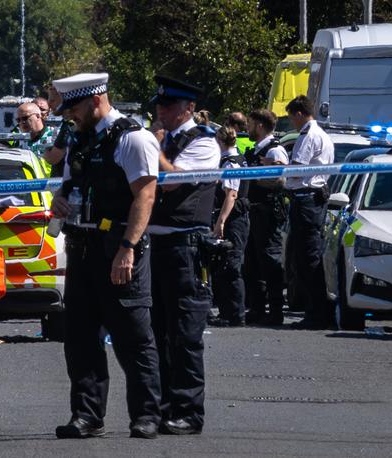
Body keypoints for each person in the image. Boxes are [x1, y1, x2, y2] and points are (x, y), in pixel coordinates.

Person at [51, 73, 162, 440]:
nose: (71, 116)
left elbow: (145, 196)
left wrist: (127, 248)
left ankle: (146, 415)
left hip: (118, 248)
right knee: (80, 338)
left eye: (75, 108)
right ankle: (87, 415)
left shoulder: (132, 138)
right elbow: (68, 186)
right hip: (83, 249)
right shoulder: (80, 140)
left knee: (133, 338)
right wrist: (59, 201)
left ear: (96, 100)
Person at [149, 75, 220, 435]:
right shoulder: (167, 139)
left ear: (189, 108)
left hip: (185, 247)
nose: (162, 111)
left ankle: (189, 411)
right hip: (156, 246)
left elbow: (173, 180)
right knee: (157, 331)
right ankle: (163, 407)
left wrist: (154, 149)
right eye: (159, 105)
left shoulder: (204, 143)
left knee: (185, 334)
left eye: (169, 106)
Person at [284, 96, 334, 330]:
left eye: (291, 117)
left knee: (307, 259)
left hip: (306, 200)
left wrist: (281, 172)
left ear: (300, 114)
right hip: (313, 199)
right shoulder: (322, 134)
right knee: (308, 257)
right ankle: (316, 311)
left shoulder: (308, 135)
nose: (291, 122)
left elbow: (297, 170)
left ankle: (316, 313)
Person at [243, 109, 289, 325]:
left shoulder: (275, 151)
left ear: (260, 125)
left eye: (250, 124)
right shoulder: (258, 150)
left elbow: (279, 182)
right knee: (253, 261)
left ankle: (276, 311)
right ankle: (257, 308)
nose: (247, 128)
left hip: (268, 212)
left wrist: (253, 178)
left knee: (270, 260)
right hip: (254, 210)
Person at [208, 126, 250, 327]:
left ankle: (234, 314)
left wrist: (221, 221)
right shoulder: (238, 158)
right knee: (226, 264)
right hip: (236, 219)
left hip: (234, 221)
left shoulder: (231, 164)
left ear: (220, 141)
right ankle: (229, 312)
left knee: (231, 266)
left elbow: (231, 195)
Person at [15, 102, 56, 175]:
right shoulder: (18, 140)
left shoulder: (54, 135)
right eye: (18, 120)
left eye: (25, 118)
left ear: (38, 116)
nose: (22, 122)